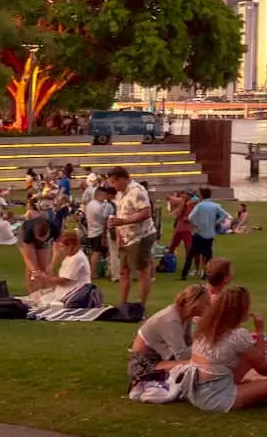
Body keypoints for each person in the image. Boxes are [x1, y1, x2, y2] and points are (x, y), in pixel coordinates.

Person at [184, 287, 267, 412]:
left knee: (249, 354)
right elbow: (261, 365)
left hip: (196, 390)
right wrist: (260, 331)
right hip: (217, 398)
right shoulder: (236, 335)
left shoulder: (205, 327)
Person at [129, 284, 211, 388]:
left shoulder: (185, 315)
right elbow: (183, 356)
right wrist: (206, 348)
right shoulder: (171, 320)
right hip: (143, 365)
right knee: (195, 365)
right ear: (196, 303)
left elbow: (189, 344)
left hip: (158, 359)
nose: (210, 306)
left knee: (201, 363)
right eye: (207, 303)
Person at [107, 166, 156, 310]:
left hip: (140, 236)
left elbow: (146, 212)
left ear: (123, 179)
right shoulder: (120, 194)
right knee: (124, 271)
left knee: (142, 271)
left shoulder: (137, 191)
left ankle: (141, 306)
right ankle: (122, 305)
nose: (113, 186)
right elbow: (120, 214)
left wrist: (124, 222)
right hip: (126, 237)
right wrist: (118, 234)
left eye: (114, 183)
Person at [31, 232, 92, 306]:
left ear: (71, 246)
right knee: (36, 296)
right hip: (68, 289)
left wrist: (43, 276)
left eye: (62, 247)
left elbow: (63, 281)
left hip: (76, 292)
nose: (60, 250)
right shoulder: (71, 256)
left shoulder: (77, 258)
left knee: (42, 301)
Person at [182, 187, 230, 280]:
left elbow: (190, 217)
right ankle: (206, 274)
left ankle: (184, 274)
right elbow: (224, 215)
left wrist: (197, 224)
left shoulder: (200, 206)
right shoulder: (215, 206)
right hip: (210, 234)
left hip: (199, 233)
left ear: (202, 196)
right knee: (208, 256)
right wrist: (216, 222)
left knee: (191, 255)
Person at [19, 213, 55, 294]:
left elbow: (58, 249)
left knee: (44, 266)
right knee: (32, 267)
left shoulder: (54, 228)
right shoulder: (27, 233)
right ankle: (33, 293)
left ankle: (47, 292)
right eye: (39, 239)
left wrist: (52, 264)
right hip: (26, 236)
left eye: (44, 238)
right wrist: (34, 271)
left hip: (43, 237)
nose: (41, 241)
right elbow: (27, 257)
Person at [83, 185, 114, 278]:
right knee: (97, 252)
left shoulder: (89, 204)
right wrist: (104, 235)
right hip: (98, 231)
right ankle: (94, 272)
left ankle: (90, 271)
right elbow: (104, 220)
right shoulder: (100, 207)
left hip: (91, 231)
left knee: (93, 252)